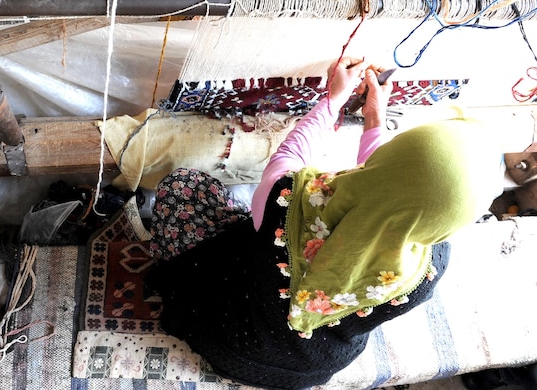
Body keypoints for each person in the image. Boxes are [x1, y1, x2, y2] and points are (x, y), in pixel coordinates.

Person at [147, 57, 502, 390]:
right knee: (262, 229)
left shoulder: (287, 202)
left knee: (184, 186)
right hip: (311, 368)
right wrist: (374, 119)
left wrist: (334, 99)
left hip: (233, 341)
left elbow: (291, 156)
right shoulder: (428, 267)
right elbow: (399, 190)